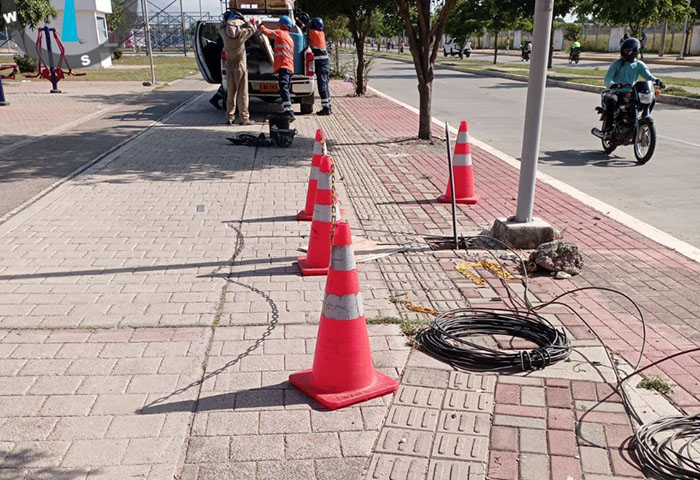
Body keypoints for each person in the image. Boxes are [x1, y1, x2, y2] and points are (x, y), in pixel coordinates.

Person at [602, 37, 664, 130]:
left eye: (628, 51)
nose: (625, 53)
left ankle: (643, 119)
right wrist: (613, 84)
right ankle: (608, 127)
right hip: (617, 92)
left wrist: (657, 80)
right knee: (612, 100)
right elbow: (607, 79)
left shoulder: (639, 65)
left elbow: (648, 76)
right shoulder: (617, 64)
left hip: (632, 92)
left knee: (651, 98)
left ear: (635, 51)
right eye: (625, 51)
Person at [219, 9, 256, 125]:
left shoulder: (224, 34)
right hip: (240, 66)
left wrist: (226, 20)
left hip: (229, 66)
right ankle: (244, 118)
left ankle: (229, 117)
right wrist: (244, 20)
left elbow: (220, 27)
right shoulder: (242, 35)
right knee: (242, 93)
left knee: (231, 93)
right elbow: (253, 29)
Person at [258, 16, 296, 122]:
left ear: (283, 25)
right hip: (289, 67)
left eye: (279, 24)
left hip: (283, 66)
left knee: (283, 88)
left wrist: (259, 25)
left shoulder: (280, 33)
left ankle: (289, 111)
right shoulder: (289, 37)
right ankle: (288, 110)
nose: (278, 26)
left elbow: (267, 32)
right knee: (285, 88)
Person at [309, 17, 332, 116]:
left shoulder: (313, 33)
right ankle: (328, 106)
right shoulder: (321, 33)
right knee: (325, 86)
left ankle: (326, 108)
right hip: (325, 65)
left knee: (322, 86)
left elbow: (305, 30)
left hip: (321, 65)